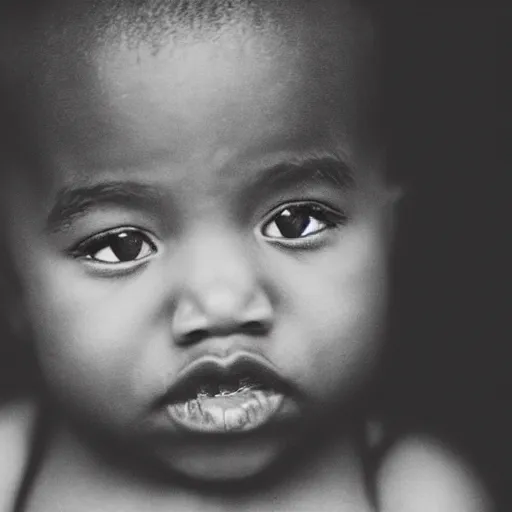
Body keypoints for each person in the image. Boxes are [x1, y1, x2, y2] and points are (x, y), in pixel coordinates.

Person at [0, 1, 492, 510]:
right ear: (12, 281)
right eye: (119, 246)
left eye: (295, 222)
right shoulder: (9, 465)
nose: (221, 304)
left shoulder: (412, 494)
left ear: (392, 234)